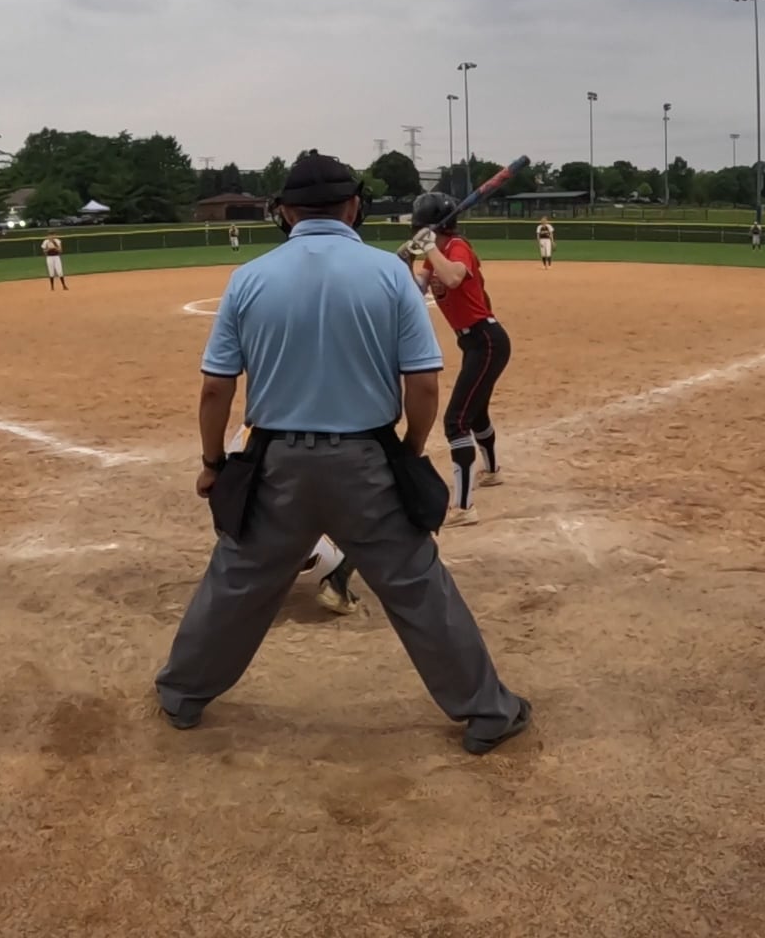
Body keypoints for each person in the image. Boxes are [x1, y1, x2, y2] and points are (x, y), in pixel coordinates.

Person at [156, 151, 531, 755]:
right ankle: (488, 711)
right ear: (354, 206)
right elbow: (423, 384)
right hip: (366, 463)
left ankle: (182, 693)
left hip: (274, 466)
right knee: (418, 588)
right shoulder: (389, 274)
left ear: (285, 213)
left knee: (236, 582)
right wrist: (408, 453)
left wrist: (212, 464)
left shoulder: (248, 278)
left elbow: (215, 389)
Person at [408, 191, 510, 527]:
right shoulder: (434, 255)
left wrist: (429, 247)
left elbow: (453, 277)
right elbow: (415, 292)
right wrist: (406, 262)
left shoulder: (456, 246)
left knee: (456, 421)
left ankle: (464, 508)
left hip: (487, 340)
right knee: (475, 411)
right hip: (473, 343)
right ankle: (492, 471)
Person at [229, 424, 359, 615]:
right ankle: (338, 580)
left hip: (247, 541)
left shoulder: (254, 421)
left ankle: (251, 579)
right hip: (312, 553)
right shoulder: (340, 425)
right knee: (379, 501)